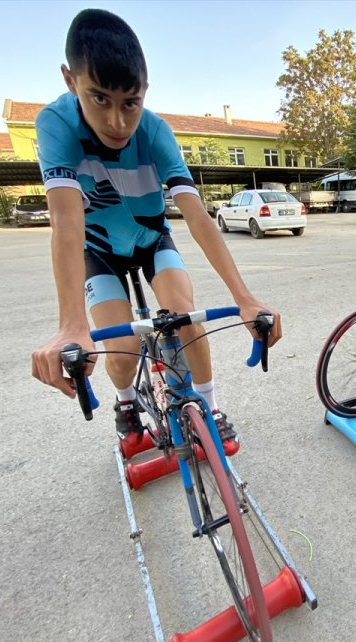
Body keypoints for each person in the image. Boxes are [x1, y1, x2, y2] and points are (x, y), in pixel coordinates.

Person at [30, 9, 282, 452]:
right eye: (99, 99)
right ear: (71, 82)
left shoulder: (155, 131)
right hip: (99, 249)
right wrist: (71, 323)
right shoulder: (56, 124)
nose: (117, 122)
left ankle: (210, 405)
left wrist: (244, 297)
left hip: (151, 241)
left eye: (131, 102)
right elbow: (67, 221)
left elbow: (197, 215)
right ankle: (126, 402)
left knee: (185, 313)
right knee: (123, 350)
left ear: (145, 92)